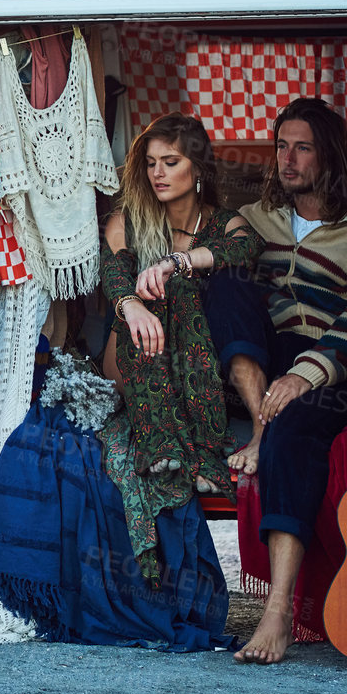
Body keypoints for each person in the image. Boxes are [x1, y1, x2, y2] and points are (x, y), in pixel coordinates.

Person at [209, 97, 347, 664]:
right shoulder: (255, 221)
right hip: (256, 361)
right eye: (281, 147)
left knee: (295, 435)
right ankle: (260, 431)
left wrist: (306, 374)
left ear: (330, 157)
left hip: (323, 366)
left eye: (302, 148)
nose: (287, 160)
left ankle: (278, 614)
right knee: (227, 281)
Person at [99, 113, 263, 575]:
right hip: (134, 356)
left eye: (170, 162)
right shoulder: (129, 219)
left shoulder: (222, 223)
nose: (158, 174)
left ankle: (195, 449)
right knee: (159, 297)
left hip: (197, 370)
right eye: (151, 163)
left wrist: (180, 262)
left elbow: (246, 248)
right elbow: (113, 268)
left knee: (183, 290)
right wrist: (131, 302)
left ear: (198, 168)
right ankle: (171, 446)